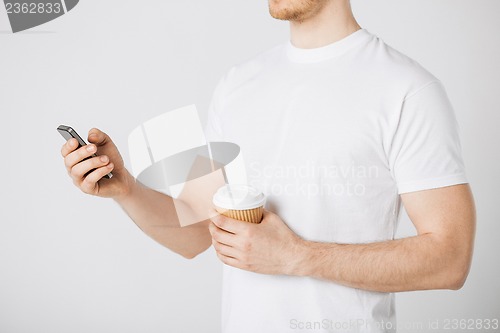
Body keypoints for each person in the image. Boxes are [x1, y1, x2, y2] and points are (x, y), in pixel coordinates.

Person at [60, 0, 476, 332]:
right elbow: (196, 233)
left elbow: (450, 258)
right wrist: (126, 188)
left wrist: (299, 257)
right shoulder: (236, 85)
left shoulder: (408, 90)